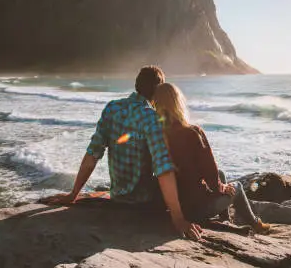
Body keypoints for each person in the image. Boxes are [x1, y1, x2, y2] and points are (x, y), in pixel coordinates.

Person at [47, 66, 202, 240]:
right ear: (157, 91)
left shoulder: (111, 109)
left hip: (118, 196)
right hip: (145, 200)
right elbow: (163, 168)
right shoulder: (151, 117)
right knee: (199, 180)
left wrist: (73, 194)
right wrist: (178, 218)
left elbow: (93, 153)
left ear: (137, 85)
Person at [152, 82, 271, 234]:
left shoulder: (157, 136)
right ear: (178, 103)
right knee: (238, 188)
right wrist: (220, 188)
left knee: (221, 174)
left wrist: (218, 183)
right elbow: (209, 170)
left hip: (178, 206)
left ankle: (226, 219)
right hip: (199, 209)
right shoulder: (193, 133)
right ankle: (256, 225)